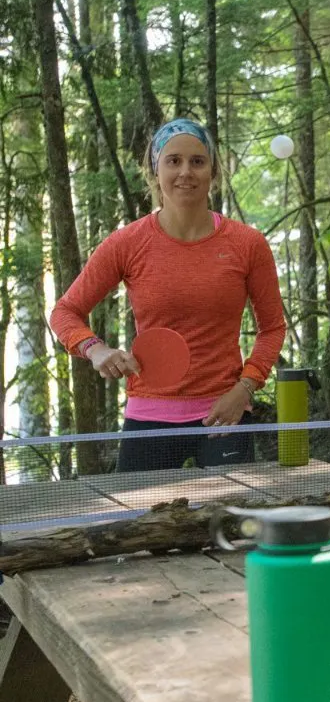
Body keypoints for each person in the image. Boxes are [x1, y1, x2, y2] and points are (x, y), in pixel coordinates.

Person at [51, 119, 286, 473]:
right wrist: (95, 349)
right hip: (149, 417)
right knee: (135, 526)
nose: (185, 172)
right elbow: (65, 311)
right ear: (155, 171)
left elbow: (272, 328)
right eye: (173, 161)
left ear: (213, 170)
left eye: (197, 161)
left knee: (232, 524)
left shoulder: (247, 244)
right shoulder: (126, 243)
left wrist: (244, 390)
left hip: (224, 416)